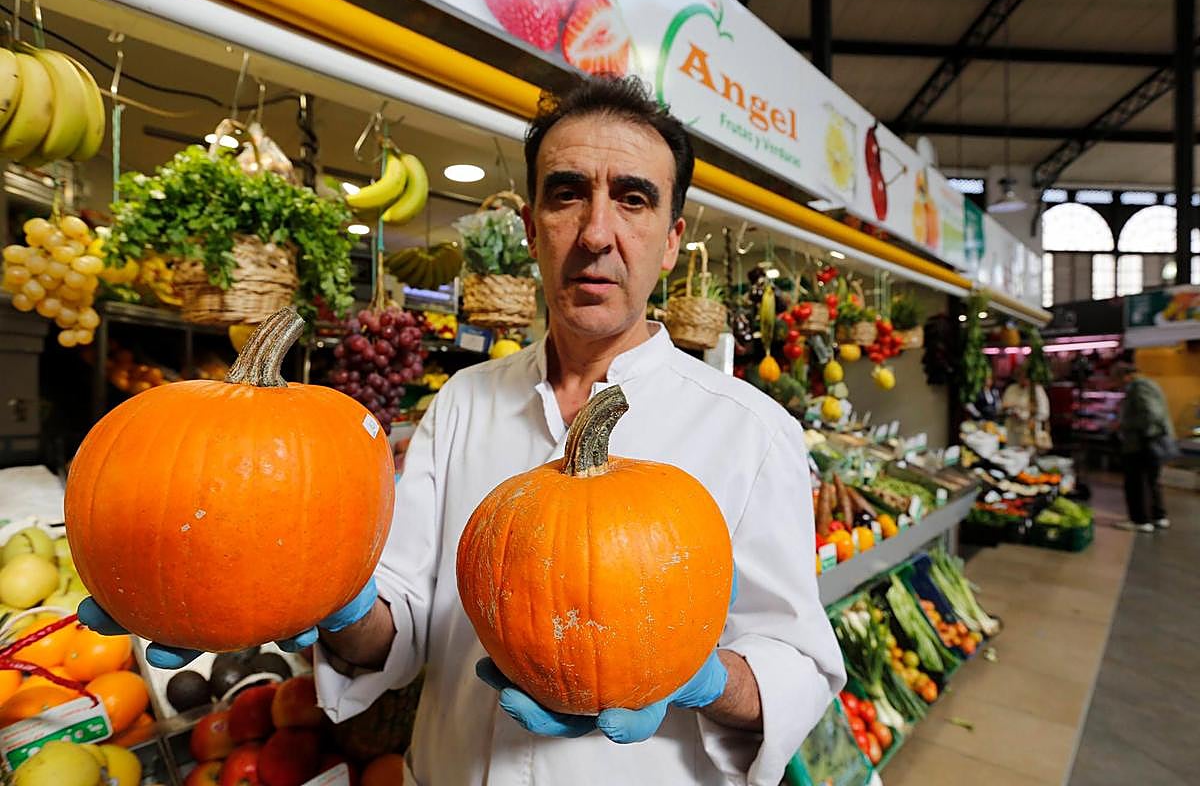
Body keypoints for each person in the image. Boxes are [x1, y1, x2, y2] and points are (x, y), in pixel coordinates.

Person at [79, 76, 844, 785]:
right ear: (531, 227)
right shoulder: (464, 402)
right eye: (567, 194)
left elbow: (799, 665)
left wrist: (701, 677)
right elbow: (402, 627)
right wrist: (334, 600)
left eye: (633, 199)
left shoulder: (751, 432)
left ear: (672, 240)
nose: (596, 232)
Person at [1114, 360, 1175, 532]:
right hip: (1150, 442)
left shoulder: (1139, 387)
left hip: (1141, 443)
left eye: (1116, 379)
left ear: (1125, 376)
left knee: (1135, 482)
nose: (1116, 383)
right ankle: (1158, 516)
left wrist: (1123, 424)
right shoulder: (1149, 384)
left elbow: (1151, 414)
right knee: (1152, 481)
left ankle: (1140, 520)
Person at [1000, 367, 1048, 448]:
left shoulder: (1036, 390)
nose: (1021, 379)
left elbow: (1044, 413)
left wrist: (1027, 416)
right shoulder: (1011, 388)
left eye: (1024, 376)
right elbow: (1003, 407)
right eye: (1019, 376)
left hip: (1029, 433)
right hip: (1013, 433)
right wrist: (1010, 410)